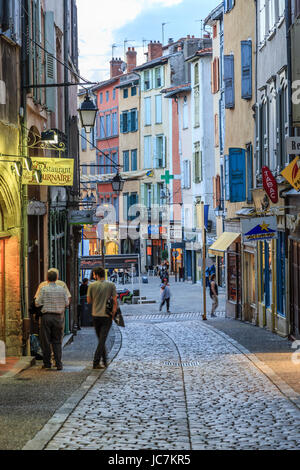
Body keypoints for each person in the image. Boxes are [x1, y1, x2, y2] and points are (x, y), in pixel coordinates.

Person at [35, 270, 70, 371]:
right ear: (56, 278)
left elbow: (37, 303)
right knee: (57, 341)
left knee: (45, 341)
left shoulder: (43, 289)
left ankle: (47, 363)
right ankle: (58, 364)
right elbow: (67, 303)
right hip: (58, 317)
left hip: (46, 317)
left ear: (47, 278)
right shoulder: (62, 289)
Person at [87, 267, 118, 369]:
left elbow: (88, 301)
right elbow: (115, 300)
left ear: (96, 275)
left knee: (101, 339)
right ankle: (97, 362)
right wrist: (114, 313)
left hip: (95, 315)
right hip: (106, 315)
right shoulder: (111, 285)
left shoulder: (91, 285)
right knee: (102, 339)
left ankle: (104, 361)